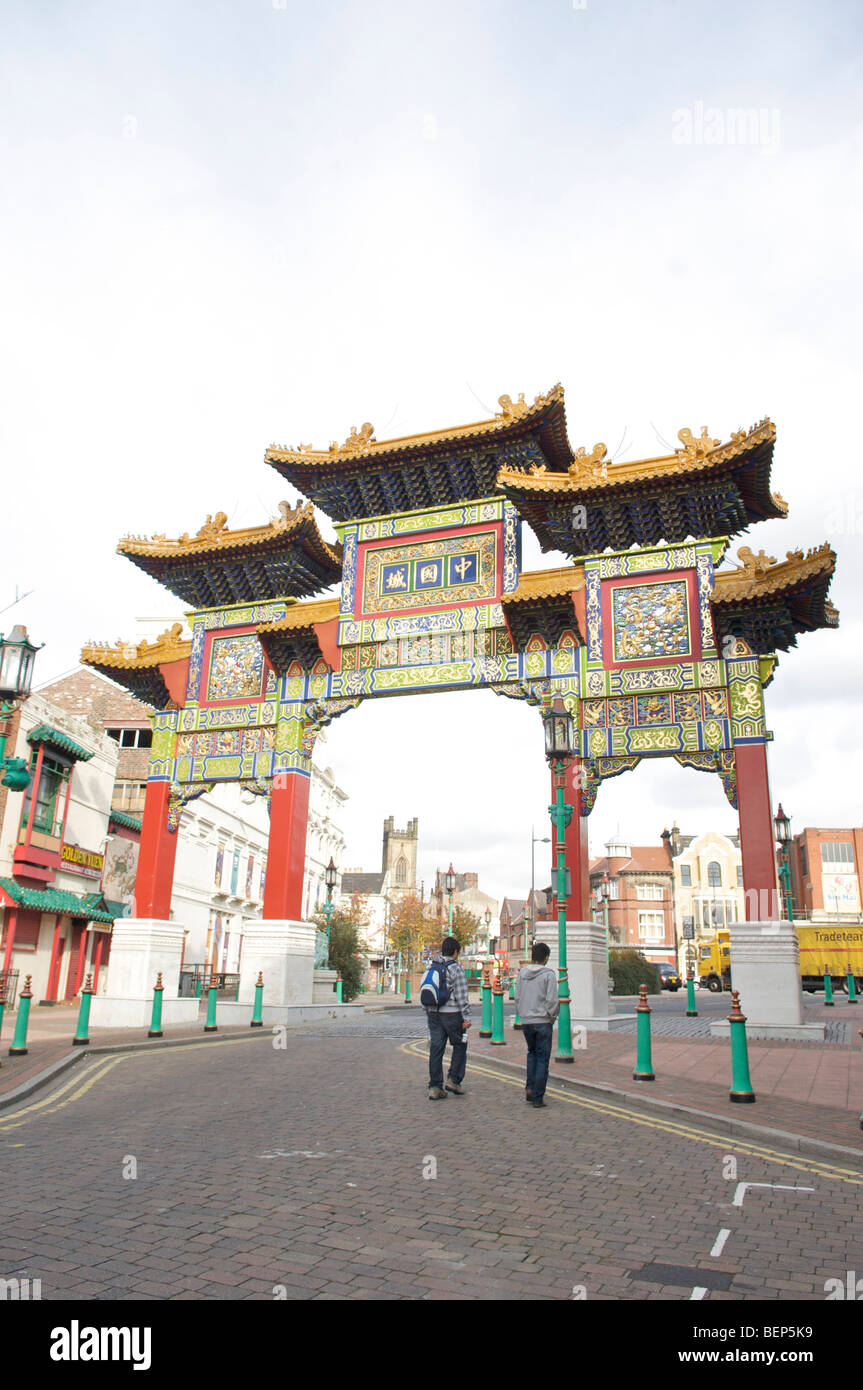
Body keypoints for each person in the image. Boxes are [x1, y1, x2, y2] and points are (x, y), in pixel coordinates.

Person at [424, 936, 471, 1099]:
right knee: (460, 1044)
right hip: (452, 1014)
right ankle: (454, 1080)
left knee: (436, 1049)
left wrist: (428, 1010)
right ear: (455, 952)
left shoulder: (431, 967)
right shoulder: (455, 968)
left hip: (433, 1013)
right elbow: (461, 995)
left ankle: (435, 1087)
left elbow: (426, 988)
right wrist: (466, 1016)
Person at [515, 942, 560, 1107]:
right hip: (542, 1021)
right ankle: (538, 1096)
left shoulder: (522, 974)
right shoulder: (548, 975)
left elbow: (517, 997)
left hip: (527, 1021)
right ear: (546, 958)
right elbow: (552, 1001)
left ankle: (529, 1088)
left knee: (532, 1054)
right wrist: (551, 1017)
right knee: (542, 1058)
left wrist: (523, 1014)